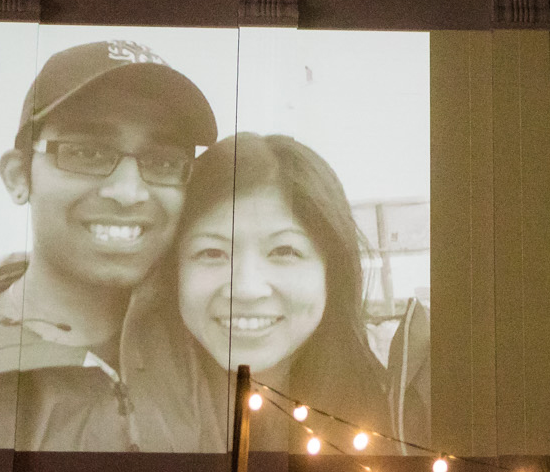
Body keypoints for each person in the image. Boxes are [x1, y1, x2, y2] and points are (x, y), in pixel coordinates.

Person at [0, 39, 218, 450]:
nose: (129, 193)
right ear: (19, 177)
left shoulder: (216, 342)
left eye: (163, 161)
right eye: (88, 152)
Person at [123, 133, 406, 452]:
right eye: (212, 252)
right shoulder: (119, 421)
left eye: (284, 250)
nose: (245, 289)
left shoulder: (405, 410)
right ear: (171, 273)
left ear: (333, 270)